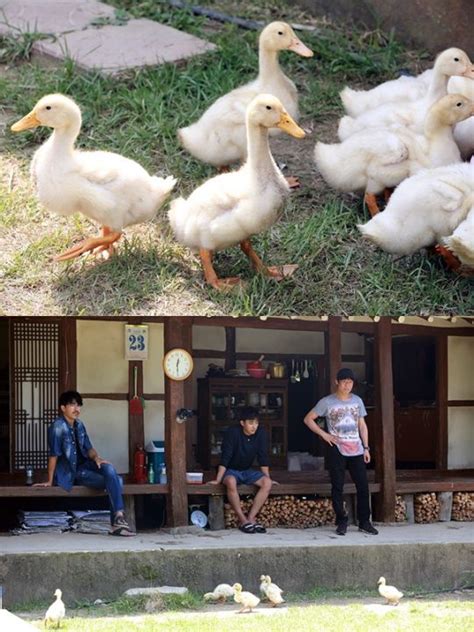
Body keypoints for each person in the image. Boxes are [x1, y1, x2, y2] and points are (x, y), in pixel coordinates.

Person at [35, 390, 134, 536]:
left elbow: (89, 448)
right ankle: (117, 523)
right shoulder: (57, 427)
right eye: (72, 405)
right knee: (117, 481)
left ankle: (118, 517)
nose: (77, 409)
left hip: (87, 465)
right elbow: (54, 455)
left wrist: (97, 458)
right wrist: (50, 480)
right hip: (73, 472)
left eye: (79, 405)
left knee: (109, 468)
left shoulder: (79, 425)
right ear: (63, 408)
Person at [304, 368, 378, 536]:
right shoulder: (327, 402)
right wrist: (324, 434)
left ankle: (364, 522)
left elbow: (362, 425)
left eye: (350, 382)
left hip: (357, 448)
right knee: (337, 486)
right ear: (336, 382)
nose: (347, 385)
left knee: (363, 486)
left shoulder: (357, 401)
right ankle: (341, 521)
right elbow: (308, 419)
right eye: (344, 381)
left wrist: (366, 447)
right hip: (336, 448)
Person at [209, 406, 274, 534]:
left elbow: (263, 457)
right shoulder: (233, 432)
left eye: (256, 423)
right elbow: (225, 457)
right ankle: (243, 520)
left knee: (267, 483)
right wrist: (218, 480)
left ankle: (251, 518)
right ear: (242, 423)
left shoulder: (260, 433)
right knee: (231, 482)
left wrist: (268, 478)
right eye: (250, 423)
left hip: (247, 470)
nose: (254, 426)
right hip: (231, 470)